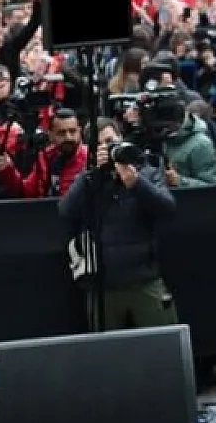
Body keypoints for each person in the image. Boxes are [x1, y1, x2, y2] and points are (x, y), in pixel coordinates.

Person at [59, 130, 179, 331]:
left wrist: (137, 184)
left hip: (144, 280)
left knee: (161, 346)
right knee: (107, 353)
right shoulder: (89, 179)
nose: (112, 147)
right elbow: (66, 211)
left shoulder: (146, 171)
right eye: (105, 144)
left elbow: (167, 209)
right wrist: (91, 174)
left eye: (114, 141)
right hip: (103, 286)